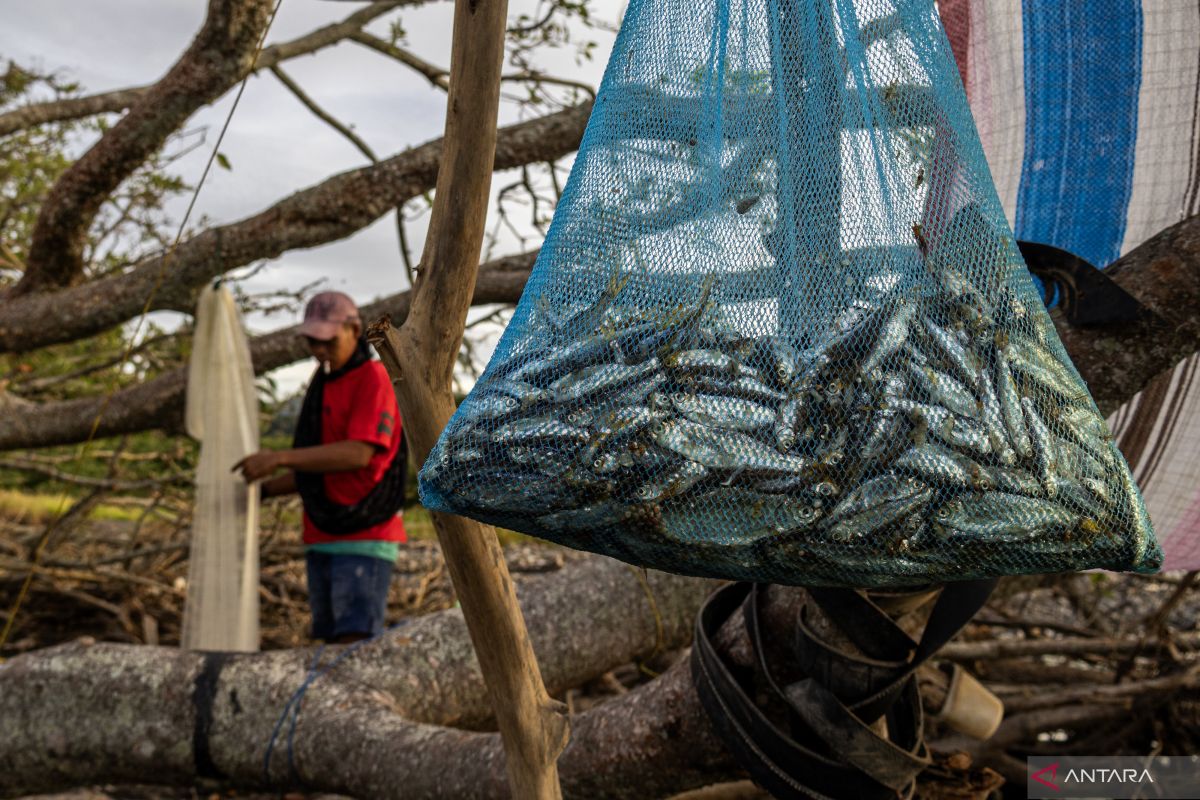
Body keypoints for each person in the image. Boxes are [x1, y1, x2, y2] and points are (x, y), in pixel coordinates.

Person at [234, 291, 407, 644]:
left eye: (328, 341)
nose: (320, 350)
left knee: (353, 646)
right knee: (329, 644)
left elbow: (357, 454)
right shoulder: (322, 386)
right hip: (320, 536)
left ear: (354, 329)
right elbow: (315, 469)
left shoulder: (372, 379)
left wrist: (278, 457)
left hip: (363, 537)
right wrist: (261, 491)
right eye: (313, 341)